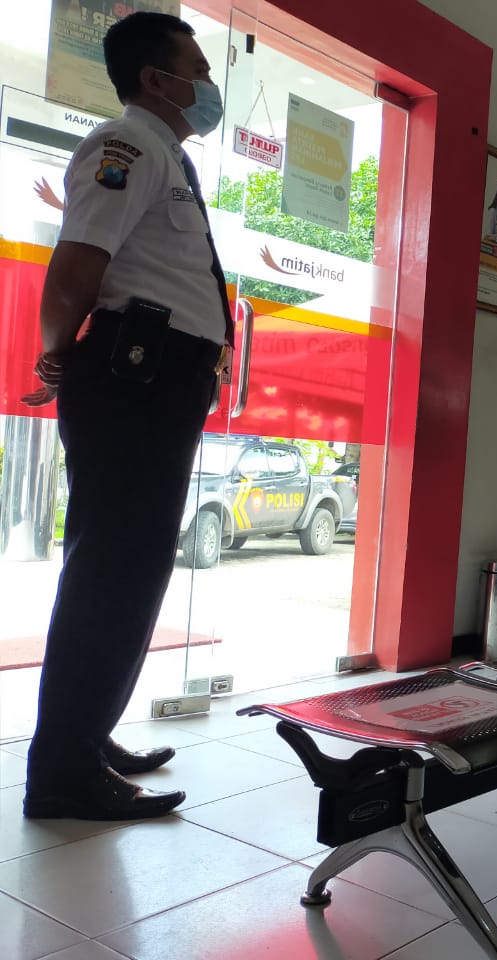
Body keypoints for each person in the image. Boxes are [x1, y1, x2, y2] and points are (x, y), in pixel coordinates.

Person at [20, 11, 234, 820]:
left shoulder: (165, 154)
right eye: (197, 69)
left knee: (131, 567)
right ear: (156, 78)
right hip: (133, 374)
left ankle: (86, 733)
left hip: (160, 379)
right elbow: (78, 261)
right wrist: (56, 354)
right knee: (113, 569)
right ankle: (62, 772)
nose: (206, 84)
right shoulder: (127, 144)